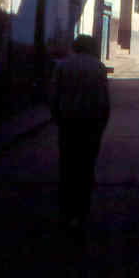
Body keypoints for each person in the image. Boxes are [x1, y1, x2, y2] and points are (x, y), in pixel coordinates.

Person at [49, 34, 110, 232]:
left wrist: (58, 119)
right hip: (91, 126)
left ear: (75, 46)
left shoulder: (63, 66)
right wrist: (101, 125)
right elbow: (104, 101)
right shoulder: (99, 68)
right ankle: (81, 213)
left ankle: (66, 212)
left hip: (68, 124)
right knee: (86, 168)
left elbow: (53, 97)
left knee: (67, 168)